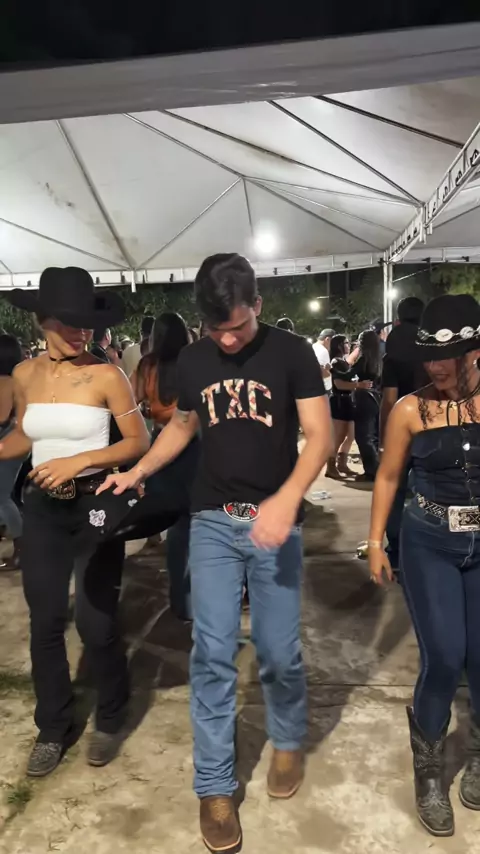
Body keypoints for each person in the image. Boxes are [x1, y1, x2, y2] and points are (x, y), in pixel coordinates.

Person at [98, 252, 332, 853]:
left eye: (238, 326)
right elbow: (183, 424)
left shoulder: (292, 353)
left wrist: (287, 500)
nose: (227, 339)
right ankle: (215, 786)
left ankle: (286, 739)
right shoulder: (195, 359)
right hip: (212, 521)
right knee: (212, 653)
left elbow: (320, 437)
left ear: (258, 305)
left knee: (278, 652)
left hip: (276, 522)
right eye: (215, 329)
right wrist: (139, 470)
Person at [0, 267, 150, 777]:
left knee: (95, 623)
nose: (82, 331)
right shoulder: (24, 374)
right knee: (44, 622)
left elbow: (138, 442)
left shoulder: (108, 375)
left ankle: (110, 714)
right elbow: (27, 435)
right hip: (43, 509)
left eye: (87, 322)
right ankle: (52, 727)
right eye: (69, 321)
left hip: (95, 506)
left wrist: (79, 461)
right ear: (42, 320)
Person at [368, 293, 480, 838]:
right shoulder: (410, 410)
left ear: (473, 352)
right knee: (444, 656)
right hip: (428, 540)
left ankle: (478, 752)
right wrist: (374, 541)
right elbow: (388, 476)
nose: (435, 367)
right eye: (429, 357)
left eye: (446, 356)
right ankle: (429, 769)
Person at [131, 311, 199, 621]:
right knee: (201, 524)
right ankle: (199, 596)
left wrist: (150, 410)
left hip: (163, 447)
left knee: (177, 527)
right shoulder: (195, 360)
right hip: (197, 445)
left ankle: (180, 601)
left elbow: (128, 403)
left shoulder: (147, 366)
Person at [380, 296, 425, 567]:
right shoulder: (432, 346)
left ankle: (396, 549)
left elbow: (389, 399)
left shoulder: (393, 350)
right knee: (427, 489)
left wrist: (385, 435)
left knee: (394, 490)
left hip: (401, 427)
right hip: (430, 426)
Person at [325, 334, 372, 479]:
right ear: (339, 345)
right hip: (339, 401)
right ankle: (330, 466)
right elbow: (339, 384)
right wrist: (358, 385)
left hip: (347, 401)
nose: (349, 345)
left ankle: (342, 463)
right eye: (346, 343)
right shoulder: (336, 362)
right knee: (338, 436)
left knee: (351, 434)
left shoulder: (343, 361)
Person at [0, 334, 25, 569]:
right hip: (20, 444)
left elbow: (1, 418)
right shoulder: (19, 381)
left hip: (7, 443)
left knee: (2, 497)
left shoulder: (4, 383)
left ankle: (21, 549)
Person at [351, 329, 381, 482]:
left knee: (363, 436)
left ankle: (371, 471)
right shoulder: (379, 359)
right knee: (372, 435)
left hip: (363, 398)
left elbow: (348, 374)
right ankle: (377, 468)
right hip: (375, 398)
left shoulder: (364, 359)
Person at [313, 328, 335, 393]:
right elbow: (320, 372)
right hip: (324, 389)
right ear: (327, 339)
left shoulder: (313, 346)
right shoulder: (323, 351)